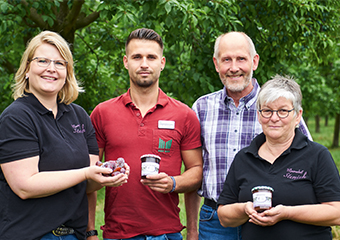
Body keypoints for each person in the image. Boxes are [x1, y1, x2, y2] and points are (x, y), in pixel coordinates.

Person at [0, 31, 129, 240]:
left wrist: (107, 174)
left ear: (67, 73)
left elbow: (88, 183)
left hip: (73, 234)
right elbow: (25, 186)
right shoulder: (16, 117)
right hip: (31, 234)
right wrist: (87, 173)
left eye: (60, 63)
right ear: (26, 70)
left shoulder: (78, 115)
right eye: (42, 61)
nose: (51, 69)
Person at [188, 31, 313, 240]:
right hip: (215, 221)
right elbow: (195, 171)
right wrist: (192, 231)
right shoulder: (201, 108)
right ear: (216, 63)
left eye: (241, 59)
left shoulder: (278, 108)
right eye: (226, 59)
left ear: (254, 61)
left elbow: (308, 159)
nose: (234, 67)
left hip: (269, 218)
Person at [90, 28, 203, 240]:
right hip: (118, 234)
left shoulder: (184, 115)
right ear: (125, 62)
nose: (144, 64)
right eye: (136, 57)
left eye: (151, 57)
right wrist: (90, 232)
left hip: (167, 234)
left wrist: (173, 183)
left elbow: (196, 171)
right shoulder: (102, 113)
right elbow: (88, 178)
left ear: (162, 62)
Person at [217, 74, 340, 239]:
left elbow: (336, 213)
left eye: (283, 111)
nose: (274, 118)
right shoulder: (244, 158)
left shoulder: (317, 155)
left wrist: (287, 213)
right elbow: (224, 217)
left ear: (297, 115)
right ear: (259, 115)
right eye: (267, 111)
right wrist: (245, 209)